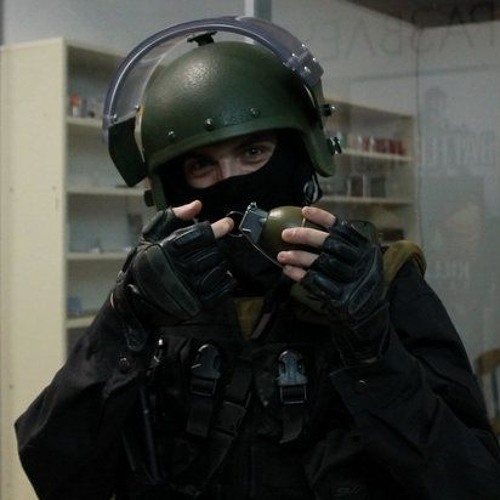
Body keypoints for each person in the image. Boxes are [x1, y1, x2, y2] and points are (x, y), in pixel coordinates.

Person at [15, 16, 500, 500]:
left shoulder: (380, 283)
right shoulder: (157, 295)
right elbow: (54, 469)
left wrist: (373, 348)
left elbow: (473, 480)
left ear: (300, 154)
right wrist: (125, 323)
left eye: (253, 151)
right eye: (202, 165)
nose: (232, 181)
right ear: (174, 188)